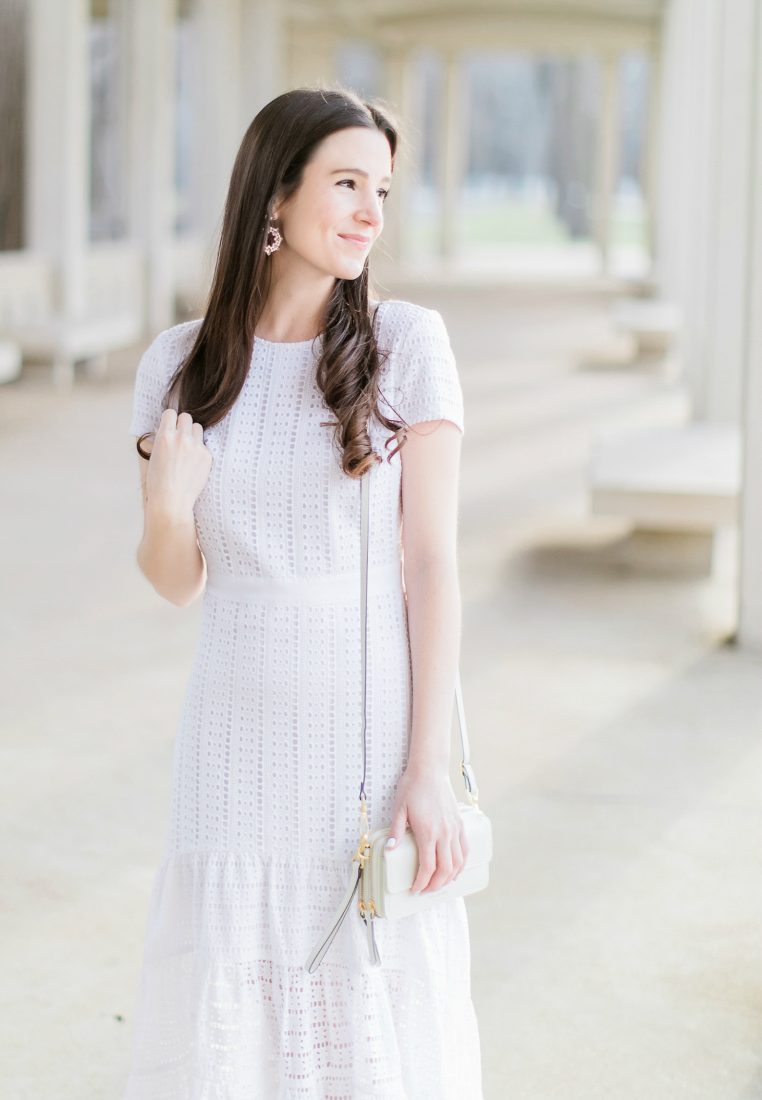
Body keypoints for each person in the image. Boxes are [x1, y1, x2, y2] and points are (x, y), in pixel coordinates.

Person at [124, 83, 484, 1099]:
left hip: (362, 753)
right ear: (273, 200)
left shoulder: (408, 346)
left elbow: (431, 566)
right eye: (346, 182)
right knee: (233, 1028)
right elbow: (176, 581)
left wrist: (428, 770)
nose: (372, 209)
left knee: (370, 1022)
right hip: (232, 750)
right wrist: (167, 506)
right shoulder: (177, 366)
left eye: (382, 187)